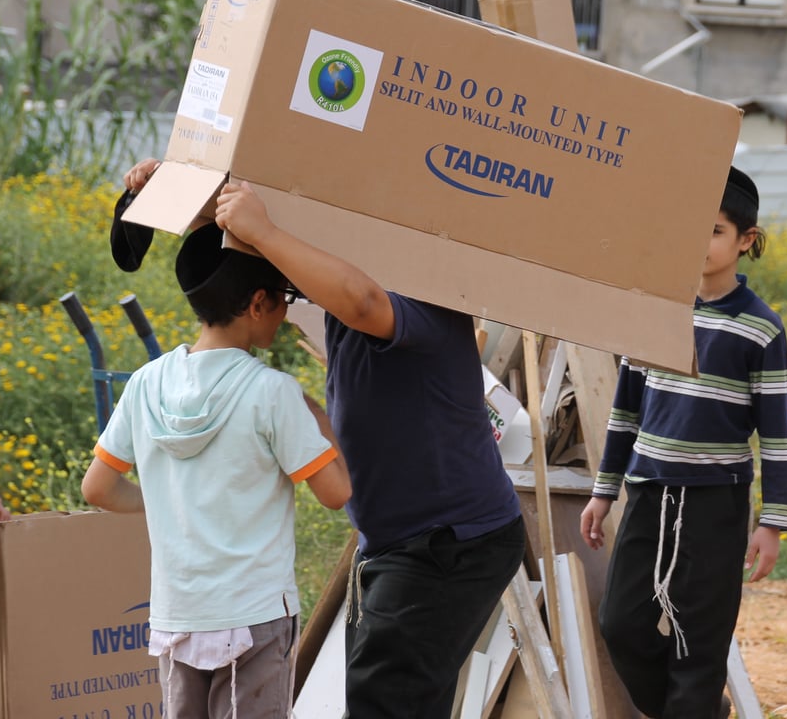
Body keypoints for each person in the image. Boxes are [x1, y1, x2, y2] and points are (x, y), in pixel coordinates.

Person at [116, 159, 526, 718]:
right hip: (402, 542)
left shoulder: (423, 290)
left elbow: (358, 300)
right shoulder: (349, 274)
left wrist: (262, 229)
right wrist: (184, 190)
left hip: (448, 544)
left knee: (385, 701)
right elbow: (237, 284)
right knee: (394, 698)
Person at [82, 219, 352, 718]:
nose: (285, 315)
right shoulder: (273, 392)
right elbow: (336, 493)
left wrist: (171, 503)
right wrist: (324, 420)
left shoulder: (145, 382)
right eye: (283, 301)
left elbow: (97, 487)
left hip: (176, 616)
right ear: (257, 304)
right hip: (253, 615)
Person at [580, 165, 787, 719]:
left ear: (746, 240)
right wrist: (604, 493)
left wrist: (772, 521)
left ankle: (695, 707)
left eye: (716, 230)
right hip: (649, 494)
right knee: (621, 624)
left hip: (715, 504)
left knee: (698, 645)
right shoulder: (654, 313)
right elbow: (624, 411)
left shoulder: (761, 329)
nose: (700, 242)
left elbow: (775, 433)